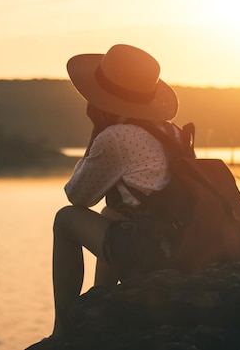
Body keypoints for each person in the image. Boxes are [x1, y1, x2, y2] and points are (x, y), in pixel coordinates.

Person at [51, 44, 180, 335]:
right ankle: (102, 299)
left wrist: (97, 130)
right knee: (112, 211)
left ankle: (63, 327)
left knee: (65, 219)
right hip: (178, 245)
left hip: (150, 253)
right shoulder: (170, 131)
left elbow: (78, 196)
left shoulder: (117, 136)